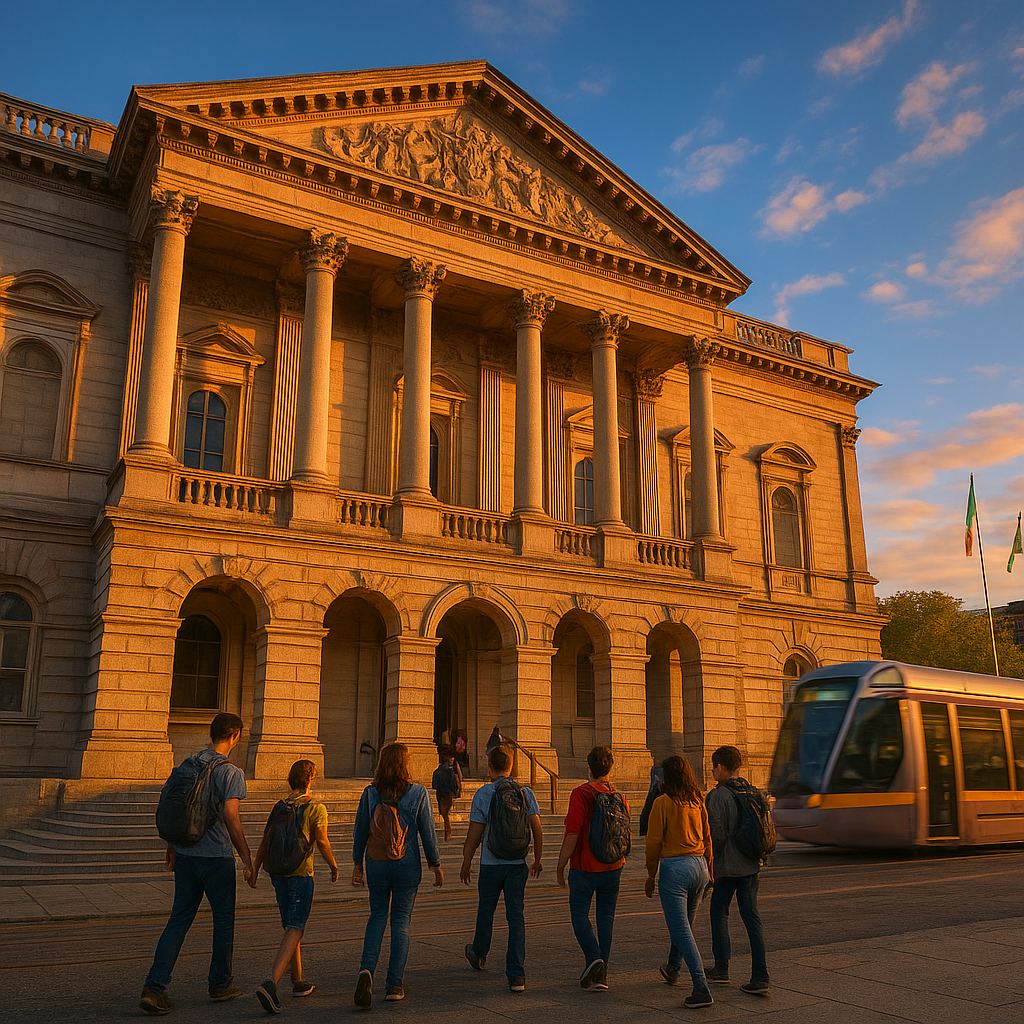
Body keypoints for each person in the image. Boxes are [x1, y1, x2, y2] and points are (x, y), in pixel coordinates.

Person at [140, 713, 253, 1015]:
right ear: (235, 736)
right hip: (216, 857)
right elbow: (230, 815)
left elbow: (173, 803)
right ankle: (220, 984)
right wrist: (246, 856)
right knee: (223, 919)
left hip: (186, 854)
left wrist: (171, 846)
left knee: (179, 919)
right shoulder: (230, 772)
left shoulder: (188, 764)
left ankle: (155, 986)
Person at [351, 742, 443, 1008]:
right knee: (401, 919)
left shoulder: (370, 793)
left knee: (377, 914)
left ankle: (366, 970)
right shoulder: (418, 793)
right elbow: (428, 832)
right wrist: (435, 864)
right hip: (407, 863)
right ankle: (394, 984)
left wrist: (357, 863)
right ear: (405, 764)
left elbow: (360, 830)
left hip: (376, 862)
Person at [250, 759, 339, 1013]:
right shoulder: (316, 808)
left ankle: (297, 981)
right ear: (310, 779)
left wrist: (255, 869)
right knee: (295, 928)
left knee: (291, 927)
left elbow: (266, 839)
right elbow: (321, 842)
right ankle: (271, 983)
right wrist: (333, 866)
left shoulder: (279, 806)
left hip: (278, 874)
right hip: (301, 874)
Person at [461, 743, 543, 992]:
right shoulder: (525, 792)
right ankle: (516, 974)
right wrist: (537, 860)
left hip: (490, 864)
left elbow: (475, 834)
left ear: (490, 768)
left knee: (486, 910)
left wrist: (466, 862)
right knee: (516, 916)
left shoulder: (484, 793)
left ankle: (479, 952)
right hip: (517, 864)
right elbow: (537, 829)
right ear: (510, 767)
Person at [556, 745, 629, 990]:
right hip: (613, 866)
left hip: (585, 867)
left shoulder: (581, 794)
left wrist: (560, 863)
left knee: (579, 914)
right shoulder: (619, 796)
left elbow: (573, 832)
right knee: (606, 917)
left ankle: (594, 957)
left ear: (589, 767)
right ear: (610, 768)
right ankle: (601, 974)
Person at [644, 755, 714, 1010]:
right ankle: (673, 968)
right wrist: (710, 873)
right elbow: (708, 837)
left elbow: (653, 843)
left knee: (681, 928)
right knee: (685, 925)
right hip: (699, 867)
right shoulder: (698, 800)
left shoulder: (662, 803)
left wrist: (651, 874)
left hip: (675, 869)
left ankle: (700, 986)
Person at [704, 745, 770, 996]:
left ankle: (722, 967)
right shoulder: (753, 791)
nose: (712, 771)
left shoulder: (718, 796)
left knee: (719, 912)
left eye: (713, 767)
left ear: (720, 767)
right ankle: (760, 974)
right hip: (752, 865)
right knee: (751, 917)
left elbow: (716, 836)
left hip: (728, 868)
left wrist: (710, 866)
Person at [431, 745, 463, 841]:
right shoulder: (452, 770)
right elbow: (458, 779)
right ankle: (447, 830)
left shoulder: (438, 770)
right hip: (449, 793)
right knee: (446, 813)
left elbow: (434, 784)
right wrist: (458, 790)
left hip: (440, 793)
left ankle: (447, 830)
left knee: (444, 813)